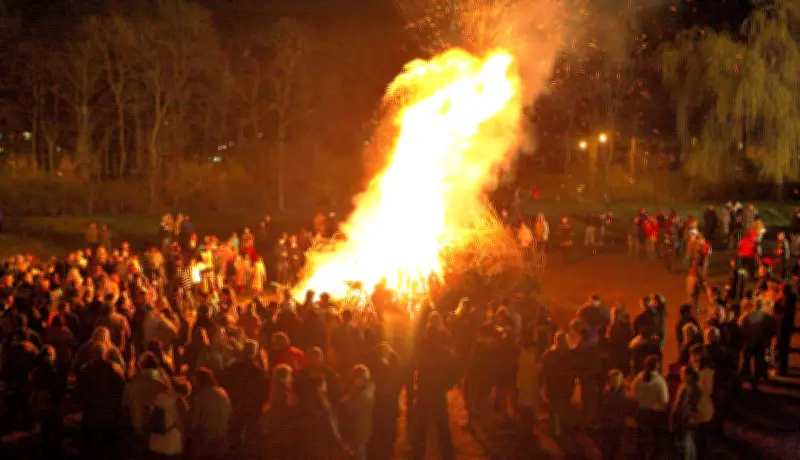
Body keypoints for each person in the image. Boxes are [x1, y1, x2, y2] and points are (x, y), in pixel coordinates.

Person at [630, 354, 669, 460]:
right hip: (655, 414)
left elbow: (633, 395)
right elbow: (664, 400)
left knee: (641, 439)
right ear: (658, 365)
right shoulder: (660, 381)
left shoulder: (638, 378)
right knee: (655, 439)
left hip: (641, 412)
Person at [597, 369, 630, 460]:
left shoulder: (604, 395)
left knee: (607, 453)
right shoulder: (623, 396)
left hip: (608, 428)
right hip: (615, 428)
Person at [671, 365, 701, 460]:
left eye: (682, 373)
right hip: (692, 418)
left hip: (685, 418)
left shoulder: (685, 388)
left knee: (686, 443)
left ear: (688, 375)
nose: (680, 375)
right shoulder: (696, 387)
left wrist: (673, 416)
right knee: (690, 443)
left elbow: (680, 405)